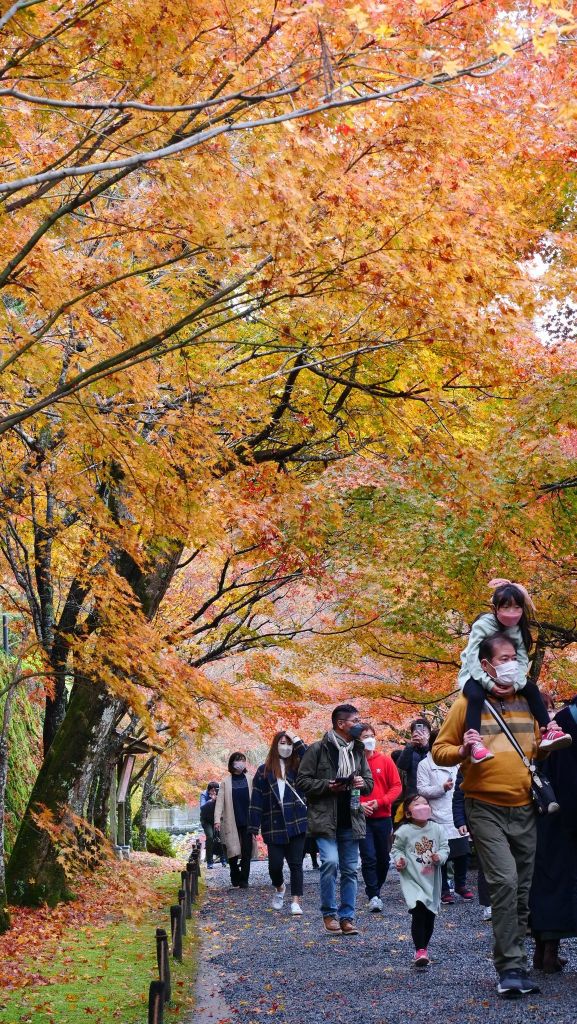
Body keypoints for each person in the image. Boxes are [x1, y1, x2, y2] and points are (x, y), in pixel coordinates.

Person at [433, 633, 543, 999]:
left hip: (525, 807)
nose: (512, 664)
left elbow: (538, 749)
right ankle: (509, 967)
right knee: (505, 882)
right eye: (504, 658)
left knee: (522, 889)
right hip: (484, 806)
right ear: (486, 665)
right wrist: (463, 750)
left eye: (516, 657)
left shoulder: (528, 700)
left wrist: (547, 746)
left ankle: (518, 963)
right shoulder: (468, 703)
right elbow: (439, 750)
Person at [458, 580, 570, 764]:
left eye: (517, 607)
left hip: (507, 675)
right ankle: (475, 743)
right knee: (476, 696)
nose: (512, 612)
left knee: (532, 689)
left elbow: (522, 658)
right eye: (506, 607)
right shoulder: (483, 625)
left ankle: (548, 729)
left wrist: (516, 684)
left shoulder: (516, 630)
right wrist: (488, 684)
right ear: (495, 608)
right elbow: (471, 657)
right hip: (476, 673)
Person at [297, 703, 373, 935]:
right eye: (355, 720)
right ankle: (329, 914)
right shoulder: (317, 749)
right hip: (324, 819)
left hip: (351, 818)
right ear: (341, 724)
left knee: (350, 870)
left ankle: (347, 917)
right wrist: (328, 785)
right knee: (329, 862)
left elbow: (369, 783)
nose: (359, 724)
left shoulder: (358, 750)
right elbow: (302, 782)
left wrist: (361, 782)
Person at [530, 693, 577, 973]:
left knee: (548, 882)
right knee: (557, 882)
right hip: (562, 815)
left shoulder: (558, 722)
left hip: (547, 813)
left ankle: (544, 952)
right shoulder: (560, 724)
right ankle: (547, 953)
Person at [249, 731, 308, 915]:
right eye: (282, 743)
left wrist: (297, 740)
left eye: (289, 744)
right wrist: (253, 826)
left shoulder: (298, 767)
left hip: (297, 821)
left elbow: (310, 758)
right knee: (274, 866)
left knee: (296, 864)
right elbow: (256, 799)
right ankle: (280, 887)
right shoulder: (264, 771)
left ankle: (296, 901)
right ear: (275, 745)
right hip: (273, 824)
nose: (286, 747)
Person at [391, 794, 449, 968]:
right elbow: (397, 849)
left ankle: (424, 947)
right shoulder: (404, 831)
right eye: (417, 804)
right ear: (408, 813)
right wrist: (400, 860)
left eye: (425, 803)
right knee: (419, 910)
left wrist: (440, 857)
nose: (422, 806)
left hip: (432, 880)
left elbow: (445, 848)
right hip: (412, 879)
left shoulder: (437, 829)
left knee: (430, 915)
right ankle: (420, 950)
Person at [417, 731, 473, 904]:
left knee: (463, 852)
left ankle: (460, 885)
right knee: (440, 854)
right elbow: (422, 789)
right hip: (437, 814)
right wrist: (442, 788)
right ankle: (443, 889)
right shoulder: (425, 764)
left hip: (456, 812)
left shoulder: (456, 761)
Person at [358, 725, 402, 912]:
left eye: (371, 735)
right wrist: (359, 805)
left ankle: (376, 888)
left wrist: (381, 802)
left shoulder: (385, 760)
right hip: (362, 818)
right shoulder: (353, 762)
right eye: (365, 736)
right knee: (368, 857)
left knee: (383, 858)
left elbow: (396, 786)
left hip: (383, 816)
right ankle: (373, 895)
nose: (369, 739)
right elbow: (346, 789)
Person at [452, 769, 491, 919]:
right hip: (479, 819)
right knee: (486, 863)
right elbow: (459, 795)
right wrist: (460, 820)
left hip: (511, 816)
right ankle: (489, 904)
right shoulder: (469, 763)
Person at [214, 752, 254, 889]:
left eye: (243, 760)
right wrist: (216, 820)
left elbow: (256, 798)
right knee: (232, 850)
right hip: (232, 820)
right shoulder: (226, 782)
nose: (241, 762)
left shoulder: (250, 779)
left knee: (247, 850)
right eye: (238, 760)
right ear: (232, 763)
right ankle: (234, 873)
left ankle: (244, 879)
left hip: (247, 820)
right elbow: (219, 802)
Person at [396, 719, 431, 794]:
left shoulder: (433, 749)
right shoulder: (410, 749)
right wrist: (410, 745)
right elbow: (402, 766)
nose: (420, 733)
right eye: (416, 731)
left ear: (429, 734)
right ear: (412, 734)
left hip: (431, 792)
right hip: (413, 794)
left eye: (423, 731)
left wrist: (425, 746)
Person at [200, 782, 226, 869]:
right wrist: (211, 800)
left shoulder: (220, 794)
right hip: (206, 820)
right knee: (210, 836)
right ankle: (209, 861)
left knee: (220, 836)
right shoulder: (204, 795)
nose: (214, 792)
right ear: (208, 790)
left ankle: (223, 859)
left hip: (217, 819)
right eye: (212, 790)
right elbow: (202, 808)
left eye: (216, 790)